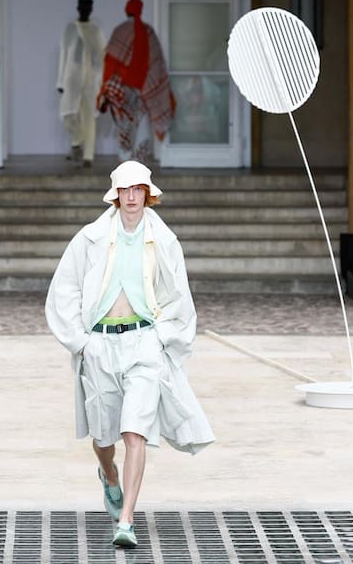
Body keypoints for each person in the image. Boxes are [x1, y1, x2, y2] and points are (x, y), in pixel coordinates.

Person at [45, 161, 213, 549]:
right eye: (125, 190)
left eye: (139, 189)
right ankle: (108, 474)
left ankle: (127, 519)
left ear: (148, 195)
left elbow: (179, 295)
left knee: (134, 430)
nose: (132, 196)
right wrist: (80, 341)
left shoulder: (164, 240)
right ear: (116, 195)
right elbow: (64, 288)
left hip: (143, 342)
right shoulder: (90, 238)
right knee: (104, 436)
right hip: (100, 344)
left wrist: (162, 336)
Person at [97, 0, 176, 167]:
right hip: (144, 87)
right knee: (142, 121)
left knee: (124, 121)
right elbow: (157, 64)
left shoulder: (120, 30)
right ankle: (140, 158)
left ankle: (125, 154)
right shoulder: (149, 32)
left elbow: (110, 64)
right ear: (140, 10)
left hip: (122, 87)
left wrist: (104, 91)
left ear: (126, 11)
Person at [58, 0, 105, 167]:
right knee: (67, 115)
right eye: (83, 6)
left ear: (91, 9)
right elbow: (64, 54)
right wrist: (60, 81)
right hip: (71, 78)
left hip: (90, 80)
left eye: (88, 7)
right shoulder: (70, 28)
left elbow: (103, 56)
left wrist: (102, 80)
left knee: (89, 117)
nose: (85, 10)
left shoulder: (95, 30)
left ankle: (88, 155)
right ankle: (77, 140)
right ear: (78, 8)